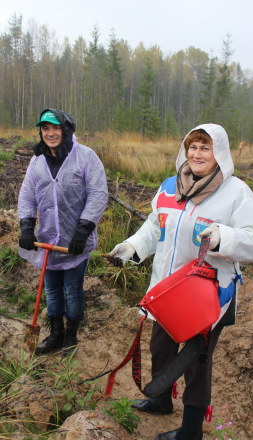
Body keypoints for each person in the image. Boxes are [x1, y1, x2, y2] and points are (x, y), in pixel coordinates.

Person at [109, 123, 253, 440]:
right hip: (167, 292)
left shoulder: (237, 194)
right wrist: (133, 247)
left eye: (205, 147)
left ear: (220, 153)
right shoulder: (169, 187)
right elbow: (153, 228)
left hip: (208, 298)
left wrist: (223, 237)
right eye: (192, 146)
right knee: (160, 347)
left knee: (196, 361)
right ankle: (160, 399)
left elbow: (251, 240)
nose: (197, 153)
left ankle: (190, 431)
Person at [18, 109, 108, 356]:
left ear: (66, 130)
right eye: (45, 129)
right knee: (52, 289)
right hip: (48, 241)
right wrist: (27, 226)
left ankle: (71, 335)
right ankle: (56, 333)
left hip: (75, 243)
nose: (50, 134)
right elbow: (27, 194)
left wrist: (83, 231)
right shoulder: (37, 161)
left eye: (55, 128)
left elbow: (98, 194)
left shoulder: (86, 157)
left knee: (73, 289)